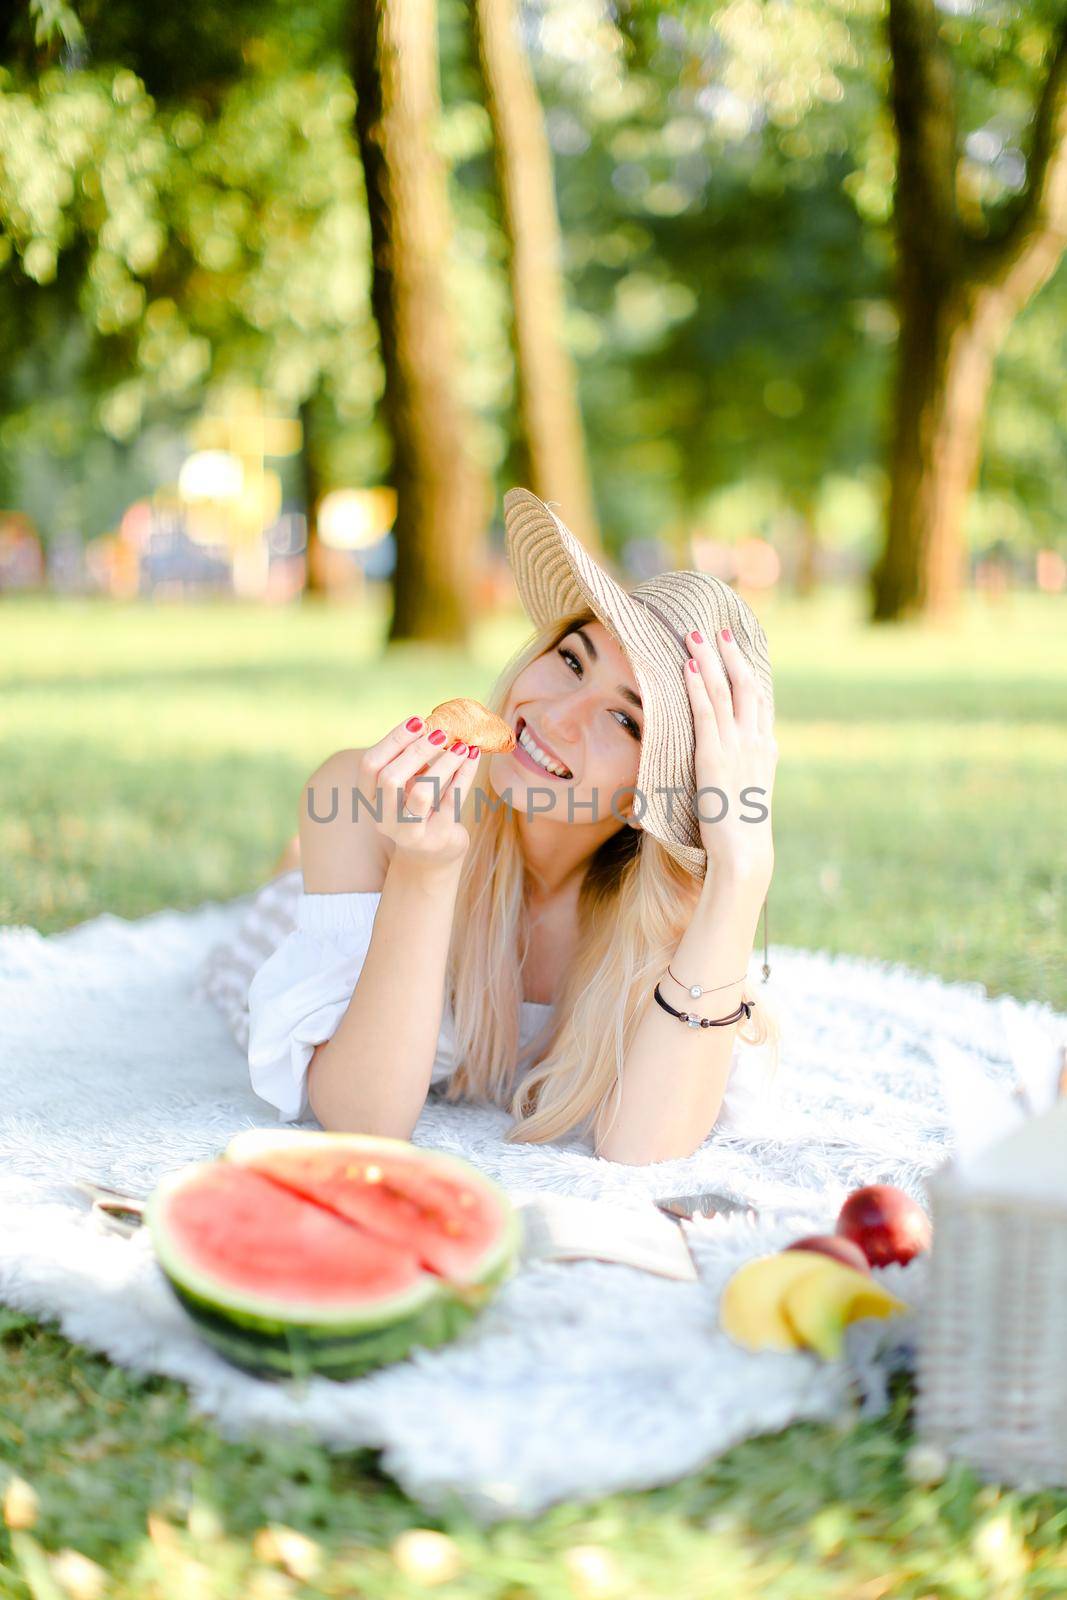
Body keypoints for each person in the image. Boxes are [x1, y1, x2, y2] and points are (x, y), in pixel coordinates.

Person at [206, 488, 780, 1165]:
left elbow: (642, 1150)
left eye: (624, 720)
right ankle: (296, 862)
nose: (558, 715)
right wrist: (424, 871)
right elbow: (363, 1121)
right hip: (338, 888)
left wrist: (741, 873)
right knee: (289, 885)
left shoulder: (678, 915)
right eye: (571, 659)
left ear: (644, 795)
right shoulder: (362, 800)